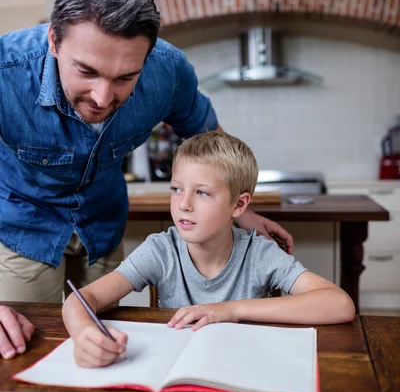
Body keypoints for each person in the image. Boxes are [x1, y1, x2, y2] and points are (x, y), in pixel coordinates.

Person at [0, 0, 293, 360]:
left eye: (125, 78)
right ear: (54, 40)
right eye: (86, 71)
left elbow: (211, 142)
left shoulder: (168, 72)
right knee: (23, 350)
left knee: (108, 348)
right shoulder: (6, 73)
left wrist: (241, 212)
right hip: (22, 225)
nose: (103, 98)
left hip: (103, 226)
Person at [62, 131, 355, 368]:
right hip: (174, 367)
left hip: (245, 366)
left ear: (239, 205)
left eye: (201, 192)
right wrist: (84, 333)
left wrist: (230, 310)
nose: (184, 204)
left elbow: (339, 304)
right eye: (176, 189)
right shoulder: (161, 249)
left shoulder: (259, 254)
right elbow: (83, 299)